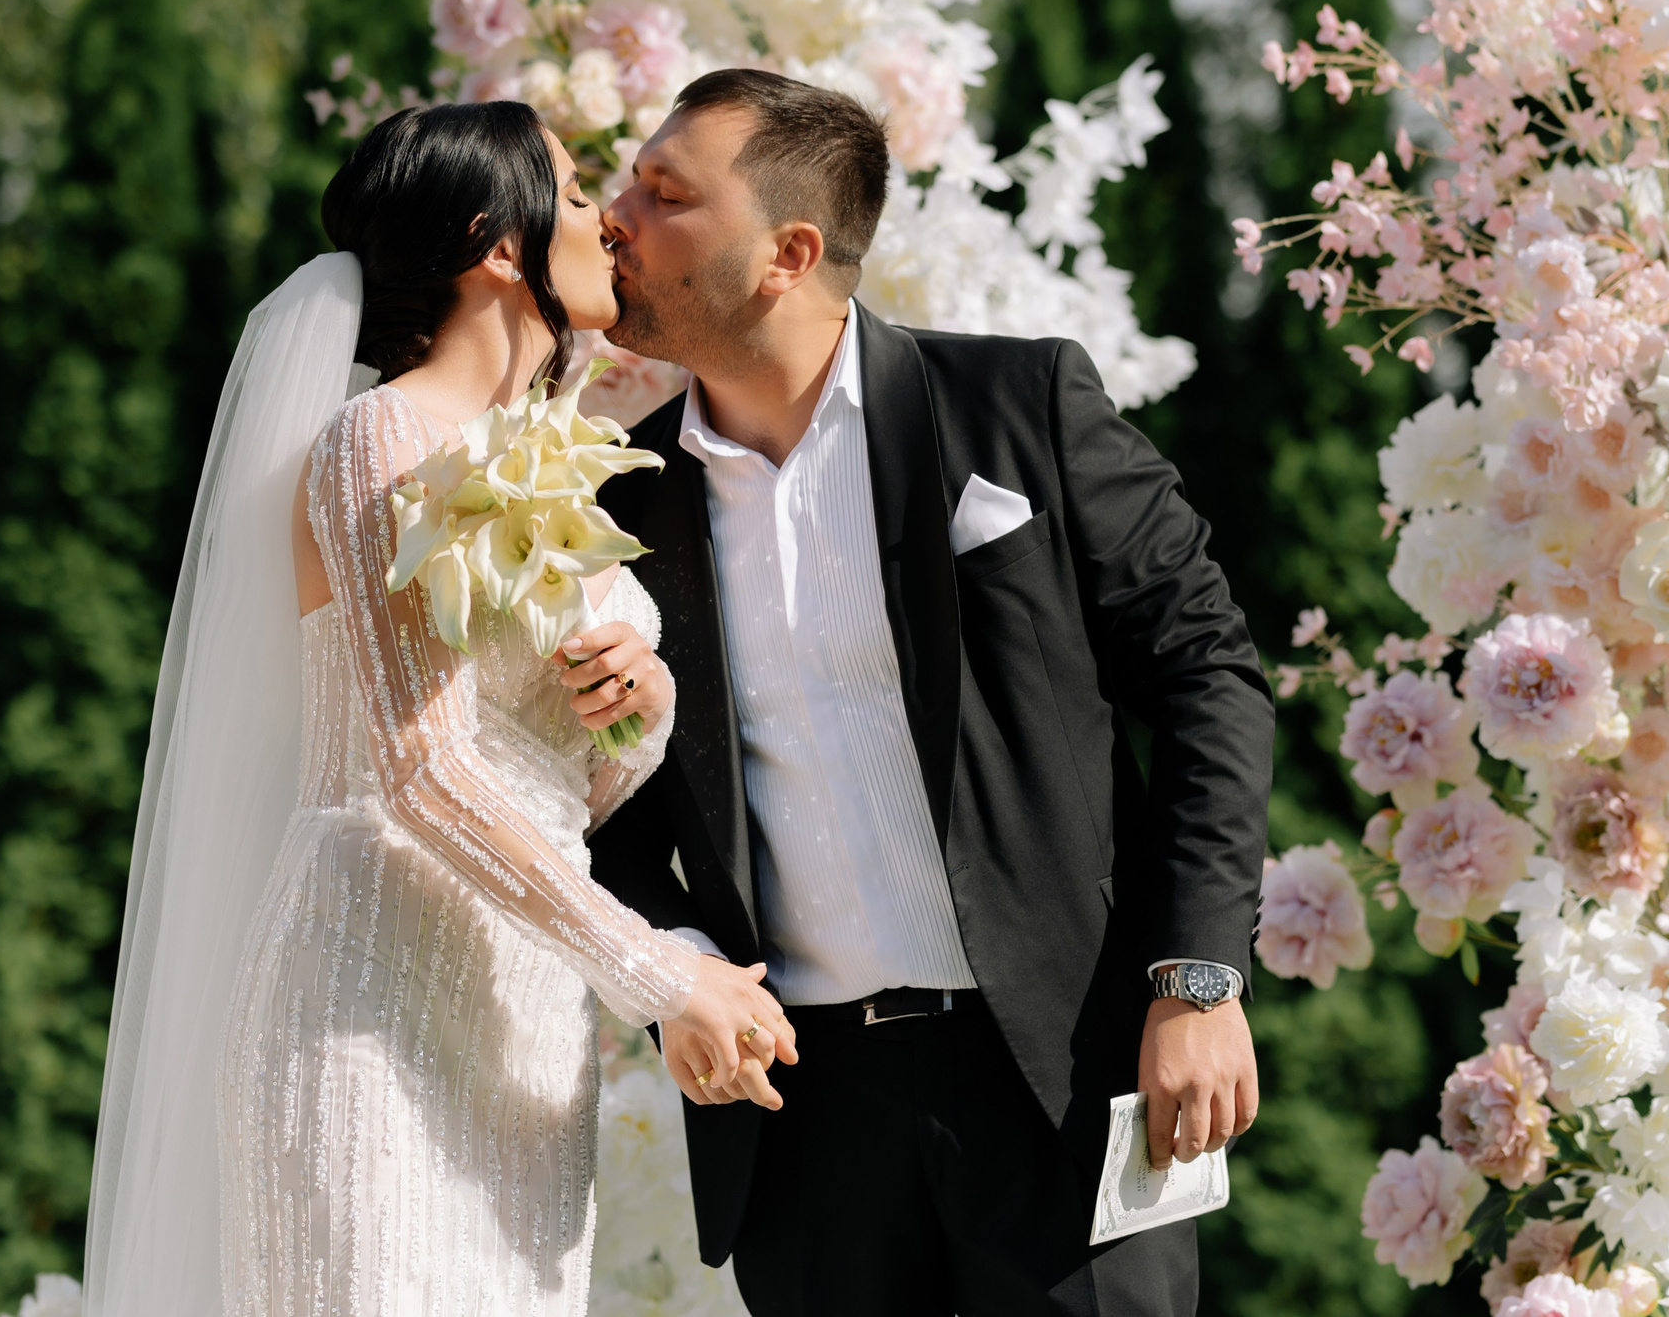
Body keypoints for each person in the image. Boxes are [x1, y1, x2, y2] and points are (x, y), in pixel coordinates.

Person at [81, 100, 794, 1317]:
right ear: (497, 245)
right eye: (574, 196)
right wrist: (665, 978)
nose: (608, 225)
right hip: (366, 1005)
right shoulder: (375, 437)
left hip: (522, 1031)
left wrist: (644, 700)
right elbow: (415, 769)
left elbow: (576, 784)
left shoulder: (567, 464)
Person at [589, 70, 1275, 1317]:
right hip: (800, 1126)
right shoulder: (617, 514)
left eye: (663, 191)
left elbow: (1206, 675)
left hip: (1057, 1081)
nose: (611, 211)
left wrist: (1197, 977)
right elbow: (601, 808)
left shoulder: (1020, 408)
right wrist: (675, 966)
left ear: (788, 252)